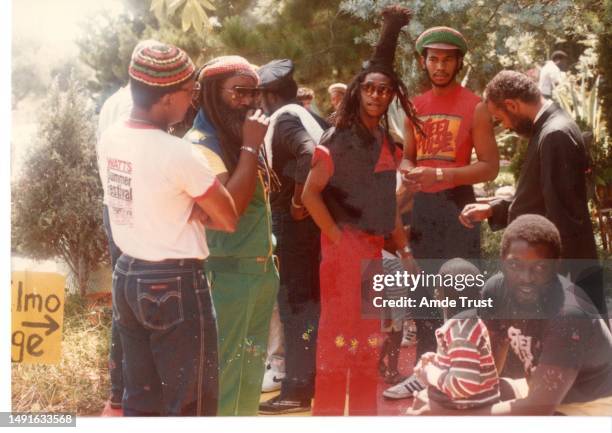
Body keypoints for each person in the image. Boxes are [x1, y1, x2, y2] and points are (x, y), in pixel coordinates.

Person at [99, 40, 238, 416]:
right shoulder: (178, 152)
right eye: (188, 93)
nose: (191, 102)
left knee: (141, 400)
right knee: (189, 405)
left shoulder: (111, 137)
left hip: (128, 273)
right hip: (174, 282)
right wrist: (193, 205)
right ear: (166, 100)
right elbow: (226, 216)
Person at [302, 5, 420, 415]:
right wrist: (335, 237)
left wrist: (403, 251)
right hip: (342, 252)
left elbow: (387, 205)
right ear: (358, 90)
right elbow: (309, 194)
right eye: (370, 88)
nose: (376, 95)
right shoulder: (336, 138)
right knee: (337, 343)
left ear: (392, 95)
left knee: (368, 344)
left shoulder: (387, 141)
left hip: (372, 250)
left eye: (384, 90)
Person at [385, 26, 499, 400]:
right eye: (433, 58)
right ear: (424, 61)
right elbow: (408, 156)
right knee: (421, 289)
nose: (439, 65)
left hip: (459, 204)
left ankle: (471, 371)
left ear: (458, 63)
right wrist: (407, 172)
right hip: (424, 207)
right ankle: (424, 373)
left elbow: (489, 167)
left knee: (465, 289)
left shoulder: (476, 105)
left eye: (447, 59)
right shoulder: (415, 105)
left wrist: (440, 173)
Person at [409, 215, 612, 415]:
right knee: (439, 399)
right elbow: (488, 374)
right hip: (539, 392)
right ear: (502, 261)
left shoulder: (568, 315)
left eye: (540, 266)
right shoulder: (496, 291)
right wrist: (447, 379)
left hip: (593, 406)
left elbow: (538, 409)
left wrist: (450, 416)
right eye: (515, 264)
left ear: (556, 264)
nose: (526, 278)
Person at [459, 70, 607, 318]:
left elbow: (563, 219)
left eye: (500, 119)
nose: (504, 126)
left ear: (512, 105)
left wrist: (554, 283)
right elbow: (540, 197)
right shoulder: (548, 129)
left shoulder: (554, 134)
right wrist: (494, 209)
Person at [185, 55, 279, 416]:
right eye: (239, 92)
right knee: (225, 375)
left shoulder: (235, 137)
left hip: (257, 272)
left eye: (254, 93)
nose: (249, 102)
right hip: (227, 275)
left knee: (250, 372)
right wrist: (251, 147)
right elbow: (231, 209)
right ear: (211, 93)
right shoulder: (201, 144)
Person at [256, 59, 329, 414]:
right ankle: (307, 382)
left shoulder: (284, 119)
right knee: (307, 305)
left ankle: (297, 389)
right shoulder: (307, 115)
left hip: (294, 224)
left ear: (269, 95)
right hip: (312, 227)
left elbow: (310, 153)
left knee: (295, 307)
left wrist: (300, 198)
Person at [411, 258, 501, 411]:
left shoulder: (459, 334)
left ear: (438, 294)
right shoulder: (472, 325)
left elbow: (463, 386)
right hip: (473, 402)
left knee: (417, 407)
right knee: (420, 399)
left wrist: (429, 372)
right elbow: (469, 363)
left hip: (465, 409)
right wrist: (439, 360)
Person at [96, 84, 132, 410]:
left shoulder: (113, 100)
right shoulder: (132, 103)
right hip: (126, 209)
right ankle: (123, 388)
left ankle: (120, 388)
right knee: (130, 299)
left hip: (114, 206)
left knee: (125, 296)